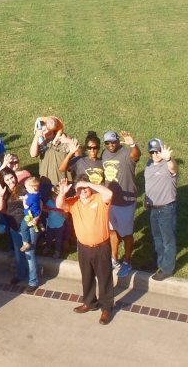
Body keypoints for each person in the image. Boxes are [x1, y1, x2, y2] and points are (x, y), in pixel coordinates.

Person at [55, 175, 114, 325]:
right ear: (76, 190)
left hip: (101, 247)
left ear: (90, 187)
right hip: (83, 248)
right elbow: (60, 205)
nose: (83, 191)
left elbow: (109, 194)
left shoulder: (100, 199)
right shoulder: (74, 202)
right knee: (87, 276)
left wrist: (88, 183)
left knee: (104, 278)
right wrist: (62, 193)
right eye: (79, 189)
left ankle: (107, 307)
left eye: (85, 188)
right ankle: (89, 302)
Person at [100, 130, 140, 278]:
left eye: (113, 142)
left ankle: (128, 261)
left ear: (118, 141)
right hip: (111, 201)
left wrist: (133, 145)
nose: (111, 145)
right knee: (112, 231)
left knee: (127, 233)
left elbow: (136, 155)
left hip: (125, 203)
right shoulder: (104, 153)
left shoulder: (126, 154)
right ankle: (114, 259)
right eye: (107, 143)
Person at [0, 167, 37, 289]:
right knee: (19, 253)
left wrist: (36, 219)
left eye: (12, 177)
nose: (11, 181)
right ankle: (20, 275)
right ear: (3, 181)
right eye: (7, 180)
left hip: (28, 226)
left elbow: (37, 204)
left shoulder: (24, 189)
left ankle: (33, 281)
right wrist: (1, 196)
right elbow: (0, 209)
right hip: (14, 226)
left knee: (30, 253)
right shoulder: (3, 193)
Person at [144, 139, 178, 281]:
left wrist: (169, 159)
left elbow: (174, 168)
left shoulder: (167, 165)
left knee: (167, 240)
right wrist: (147, 198)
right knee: (157, 237)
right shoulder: (149, 165)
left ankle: (167, 269)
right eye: (152, 152)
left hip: (166, 209)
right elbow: (149, 183)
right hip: (153, 209)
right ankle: (157, 262)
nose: (155, 154)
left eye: (157, 151)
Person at [28, 116, 72, 188]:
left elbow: (78, 153)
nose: (48, 131)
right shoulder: (41, 142)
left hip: (64, 182)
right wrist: (36, 137)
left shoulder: (63, 137)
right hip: (46, 183)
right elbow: (33, 154)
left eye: (49, 129)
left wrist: (69, 141)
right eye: (44, 130)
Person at [42, 188, 69, 258]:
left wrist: (62, 211)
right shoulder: (49, 202)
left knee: (58, 238)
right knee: (48, 236)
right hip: (50, 223)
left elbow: (66, 216)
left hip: (59, 224)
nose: (56, 198)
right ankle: (47, 247)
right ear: (51, 197)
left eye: (57, 196)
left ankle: (57, 251)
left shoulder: (63, 204)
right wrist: (41, 207)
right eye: (54, 196)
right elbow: (47, 210)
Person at [21, 177, 42, 252]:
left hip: (29, 216)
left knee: (23, 228)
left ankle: (25, 242)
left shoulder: (30, 197)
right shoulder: (38, 193)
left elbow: (26, 205)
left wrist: (24, 200)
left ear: (33, 189)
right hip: (36, 213)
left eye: (27, 188)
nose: (26, 189)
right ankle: (41, 225)